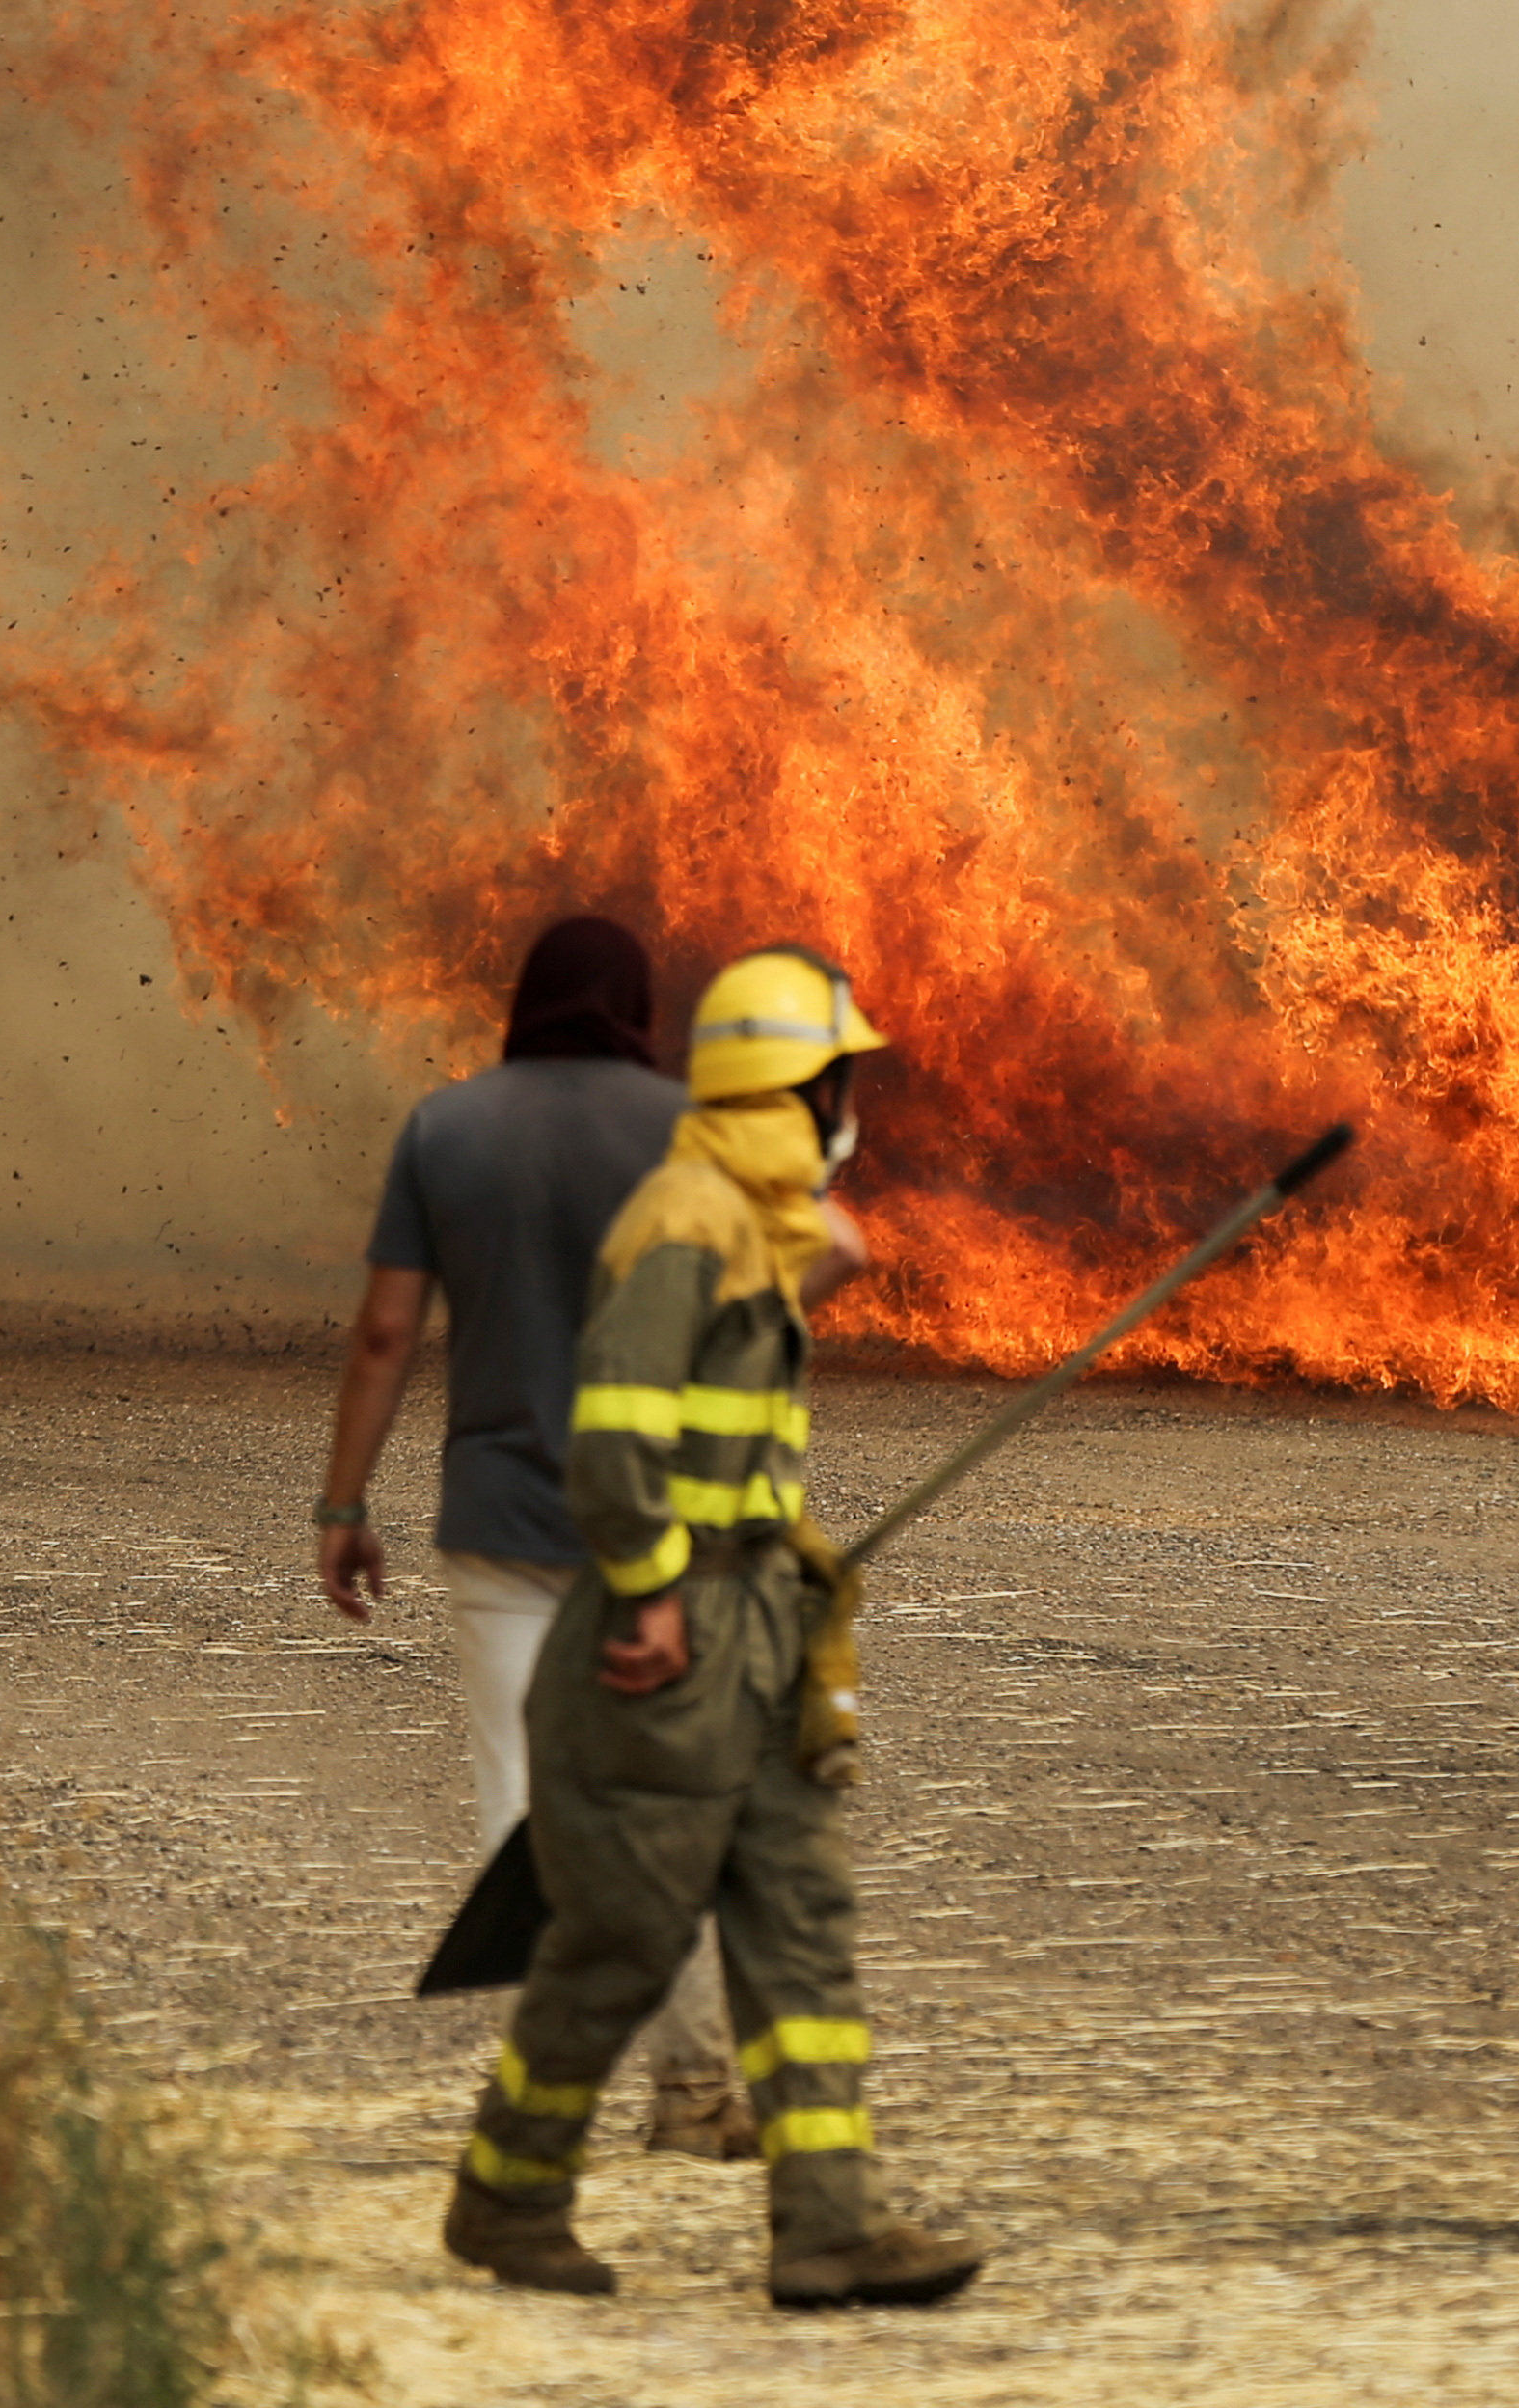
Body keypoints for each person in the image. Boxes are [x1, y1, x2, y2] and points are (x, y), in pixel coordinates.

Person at [441, 948, 985, 2311]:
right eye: (839, 1085)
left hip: (758, 1629)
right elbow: (614, 1439)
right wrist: (650, 1595)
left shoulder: (749, 1214)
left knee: (801, 1920)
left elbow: (838, 1252)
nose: (853, 1110)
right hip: (671, 1635)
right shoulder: (687, 1221)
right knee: (620, 1933)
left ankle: (830, 2227)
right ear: (795, 1091)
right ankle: (507, 2199)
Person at [314, 918, 747, 2154]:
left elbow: (385, 1335)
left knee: (526, 1818)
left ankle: (551, 2102)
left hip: (497, 1522)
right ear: (636, 1007)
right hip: (654, 1528)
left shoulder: (444, 1129)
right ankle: (692, 2088)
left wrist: (345, 1504)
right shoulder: (687, 1133)